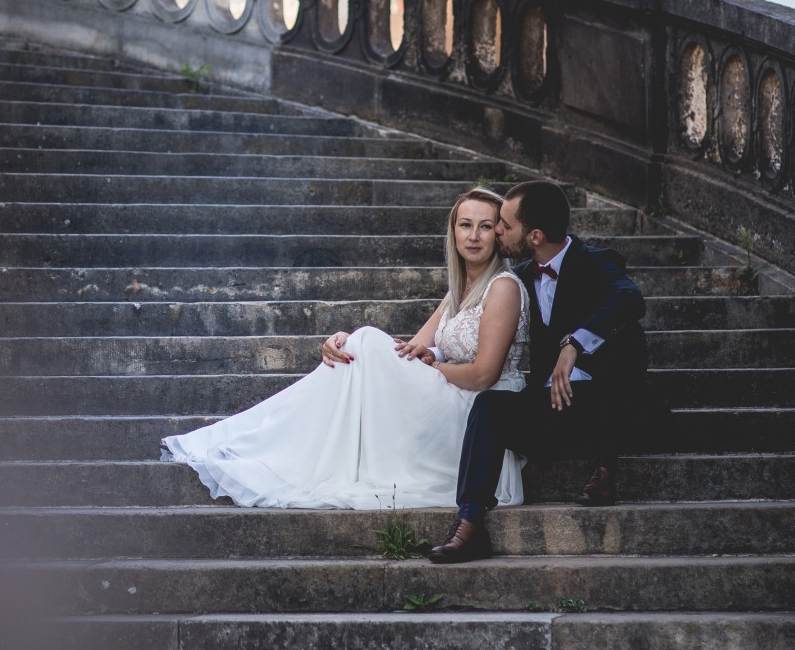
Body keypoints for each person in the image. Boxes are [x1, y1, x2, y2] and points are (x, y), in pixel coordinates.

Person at [161, 189, 529, 510]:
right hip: (454, 398)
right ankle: (293, 450)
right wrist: (346, 342)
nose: (474, 235)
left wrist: (424, 365)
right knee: (360, 345)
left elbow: (484, 375)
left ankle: (295, 453)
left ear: (499, 234)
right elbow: (408, 350)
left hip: (482, 414)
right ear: (453, 232)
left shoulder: (503, 288)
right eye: (465, 225)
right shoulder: (460, 290)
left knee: (366, 341)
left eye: (485, 226)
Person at [429, 180, 647, 564]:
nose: (496, 231)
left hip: (600, 403)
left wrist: (574, 343)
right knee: (489, 406)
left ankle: (604, 466)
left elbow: (630, 298)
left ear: (534, 235)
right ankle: (469, 521)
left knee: (628, 336)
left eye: (504, 225)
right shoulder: (519, 277)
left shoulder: (596, 261)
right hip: (548, 405)